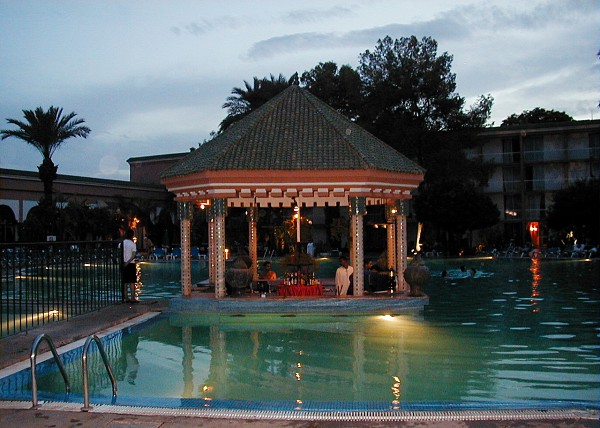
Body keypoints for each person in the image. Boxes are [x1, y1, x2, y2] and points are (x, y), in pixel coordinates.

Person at [121, 229, 139, 303]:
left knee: (125, 281)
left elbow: (119, 254)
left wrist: (124, 262)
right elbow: (133, 255)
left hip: (123, 263)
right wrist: (128, 262)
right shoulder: (132, 244)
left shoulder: (121, 243)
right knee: (132, 281)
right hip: (131, 264)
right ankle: (132, 297)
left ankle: (126, 297)